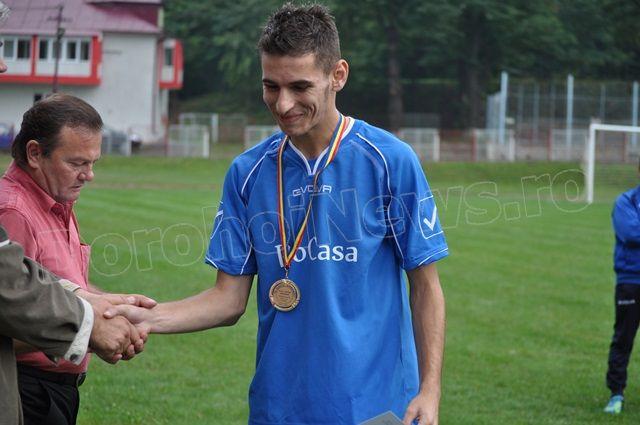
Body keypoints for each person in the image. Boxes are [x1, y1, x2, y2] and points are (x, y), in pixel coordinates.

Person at [107, 3, 448, 424]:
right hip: (280, 407)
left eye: (300, 86)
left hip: (376, 407)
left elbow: (425, 286)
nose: (283, 104)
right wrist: (149, 318)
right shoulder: (247, 173)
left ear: (338, 75)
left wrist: (430, 390)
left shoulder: (390, 161)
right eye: (271, 86)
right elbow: (228, 299)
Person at [0, 92, 156, 425]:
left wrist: (113, 307)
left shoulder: (56, 199)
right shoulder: (13, 212)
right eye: (77, 163)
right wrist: (88, 330)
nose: (89, 174)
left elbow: (58, 289)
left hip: (52, 391)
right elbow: (9, 322)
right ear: (35, 153)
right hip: (28, 391)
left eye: (93, 163)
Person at [0, 225, 148, 425]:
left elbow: (20, 269)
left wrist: (92, 302)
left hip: (61, 389)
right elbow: (9, 282)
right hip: (33, 389)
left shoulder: (63, 213)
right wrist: (88, 323)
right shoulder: (16, 213)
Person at [604, 163, 640, 414]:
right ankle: (616, 394)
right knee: (623, 338)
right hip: (631, 281)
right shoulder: (626, 201)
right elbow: (631, 234)